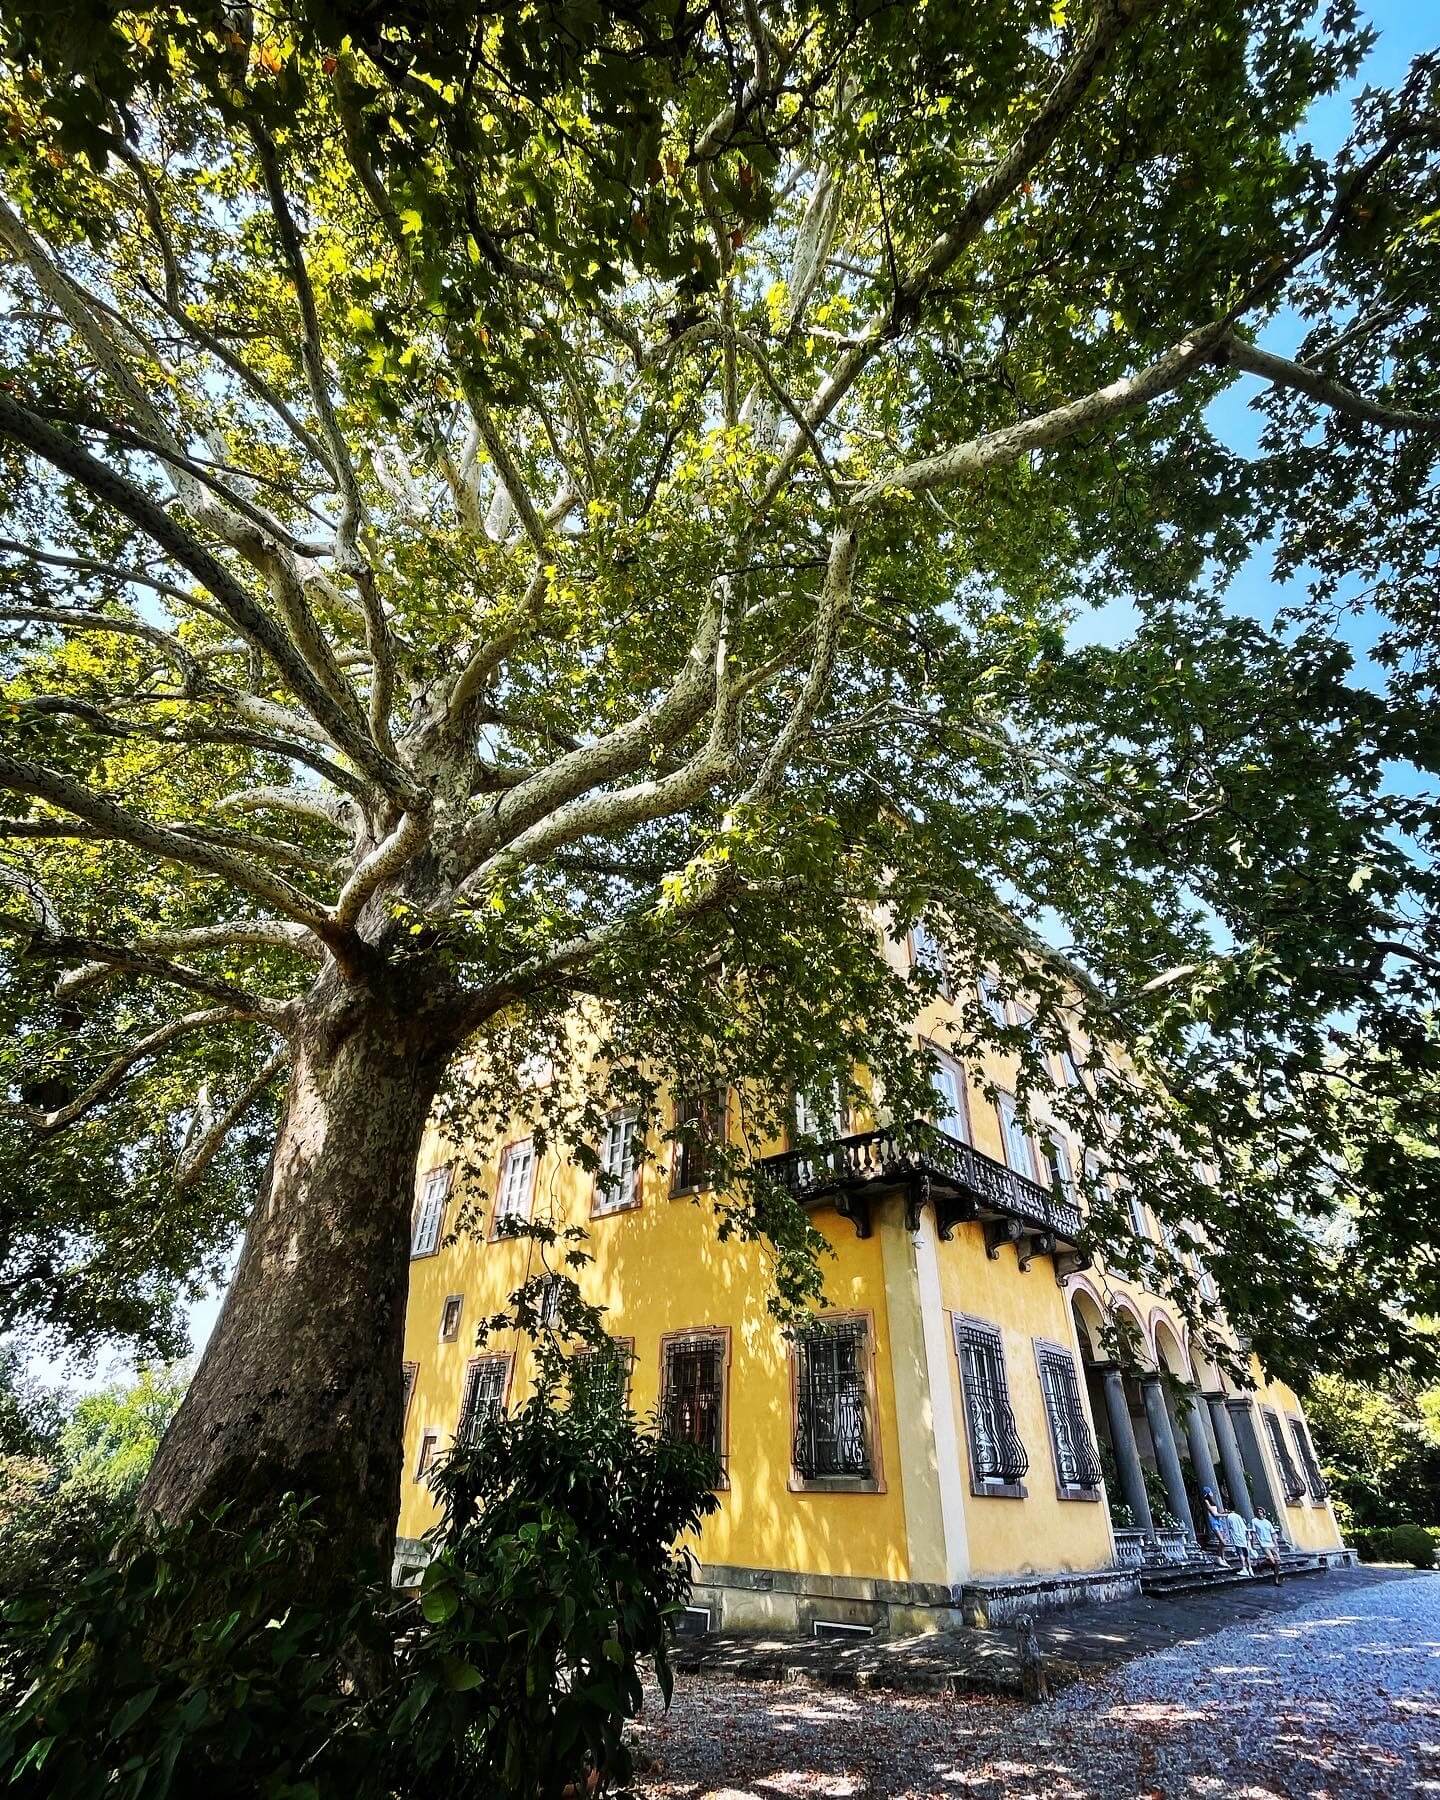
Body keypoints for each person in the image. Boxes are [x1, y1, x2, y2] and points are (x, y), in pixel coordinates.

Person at [1250, 1509, 1283, 1583]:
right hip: (1263, 1543)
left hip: (1270, 1543)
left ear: (1263, 1513)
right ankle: (1261, 1564)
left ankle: (1276, 1580)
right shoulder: (1254, 1521)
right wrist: (1253, 1543)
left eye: (1261, 1512)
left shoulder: (1267, 1522)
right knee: (1272, 1560)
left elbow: (1273, 1533)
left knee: (1277, 1560)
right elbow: (1254, 1533)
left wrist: (1275, 1543)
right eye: (1258, 1512)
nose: (1259, 1513)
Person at [1227, 1506, 1254, 1574]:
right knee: (1246, 1553)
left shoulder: (1229, 1517)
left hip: (1236, 1536)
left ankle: (1244, 1568)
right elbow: (1244, 1527)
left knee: (1240, 1553)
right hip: (1243, 1536)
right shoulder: (1238, 1516)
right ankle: (1250, 1568)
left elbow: (1229, 1527)